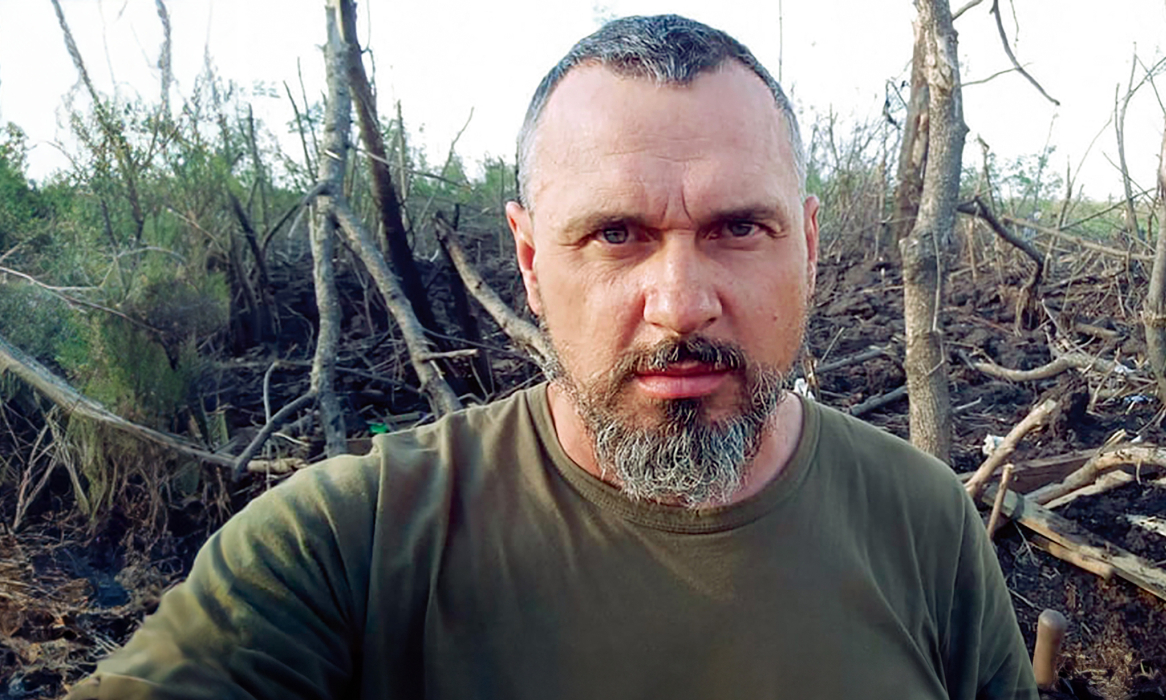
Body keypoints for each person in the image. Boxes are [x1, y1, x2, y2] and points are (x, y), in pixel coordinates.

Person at [67, 14, 1036, 700]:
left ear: (809, 246)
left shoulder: (924, 521)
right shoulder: (347, 545)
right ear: (531, 262)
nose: (681, 302)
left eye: (739, 227)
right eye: (616, 234)